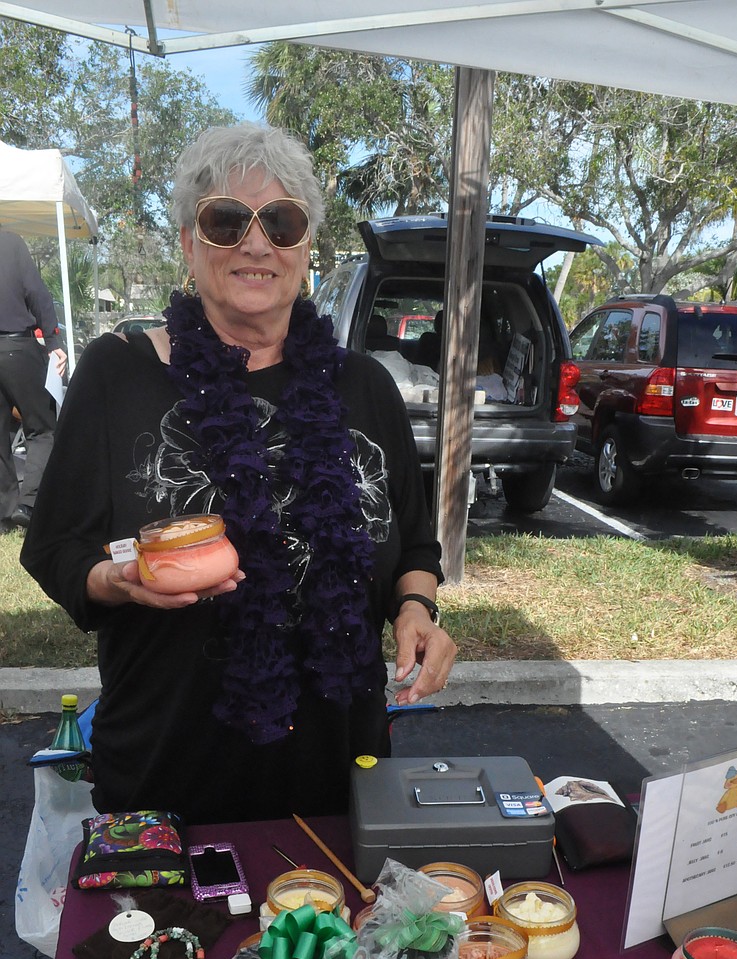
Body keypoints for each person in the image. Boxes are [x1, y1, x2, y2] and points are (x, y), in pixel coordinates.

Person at [21, 124, 456, 825]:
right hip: (168, 784)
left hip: (341, 783)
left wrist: (417, 611)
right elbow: (56, 550)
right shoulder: (118, 373)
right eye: (227, 222)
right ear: (190, 245)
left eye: (281, 223)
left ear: (306, 248)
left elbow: (412, 547)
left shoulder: (366, 387)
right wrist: (116, 581)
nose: (257, 245)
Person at [0, 227, 67, 532]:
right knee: (43, 428)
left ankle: (5, 514)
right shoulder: (10, 241)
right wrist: (53, 343)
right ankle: (29, 504)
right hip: (16, 347)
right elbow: (36, 291)